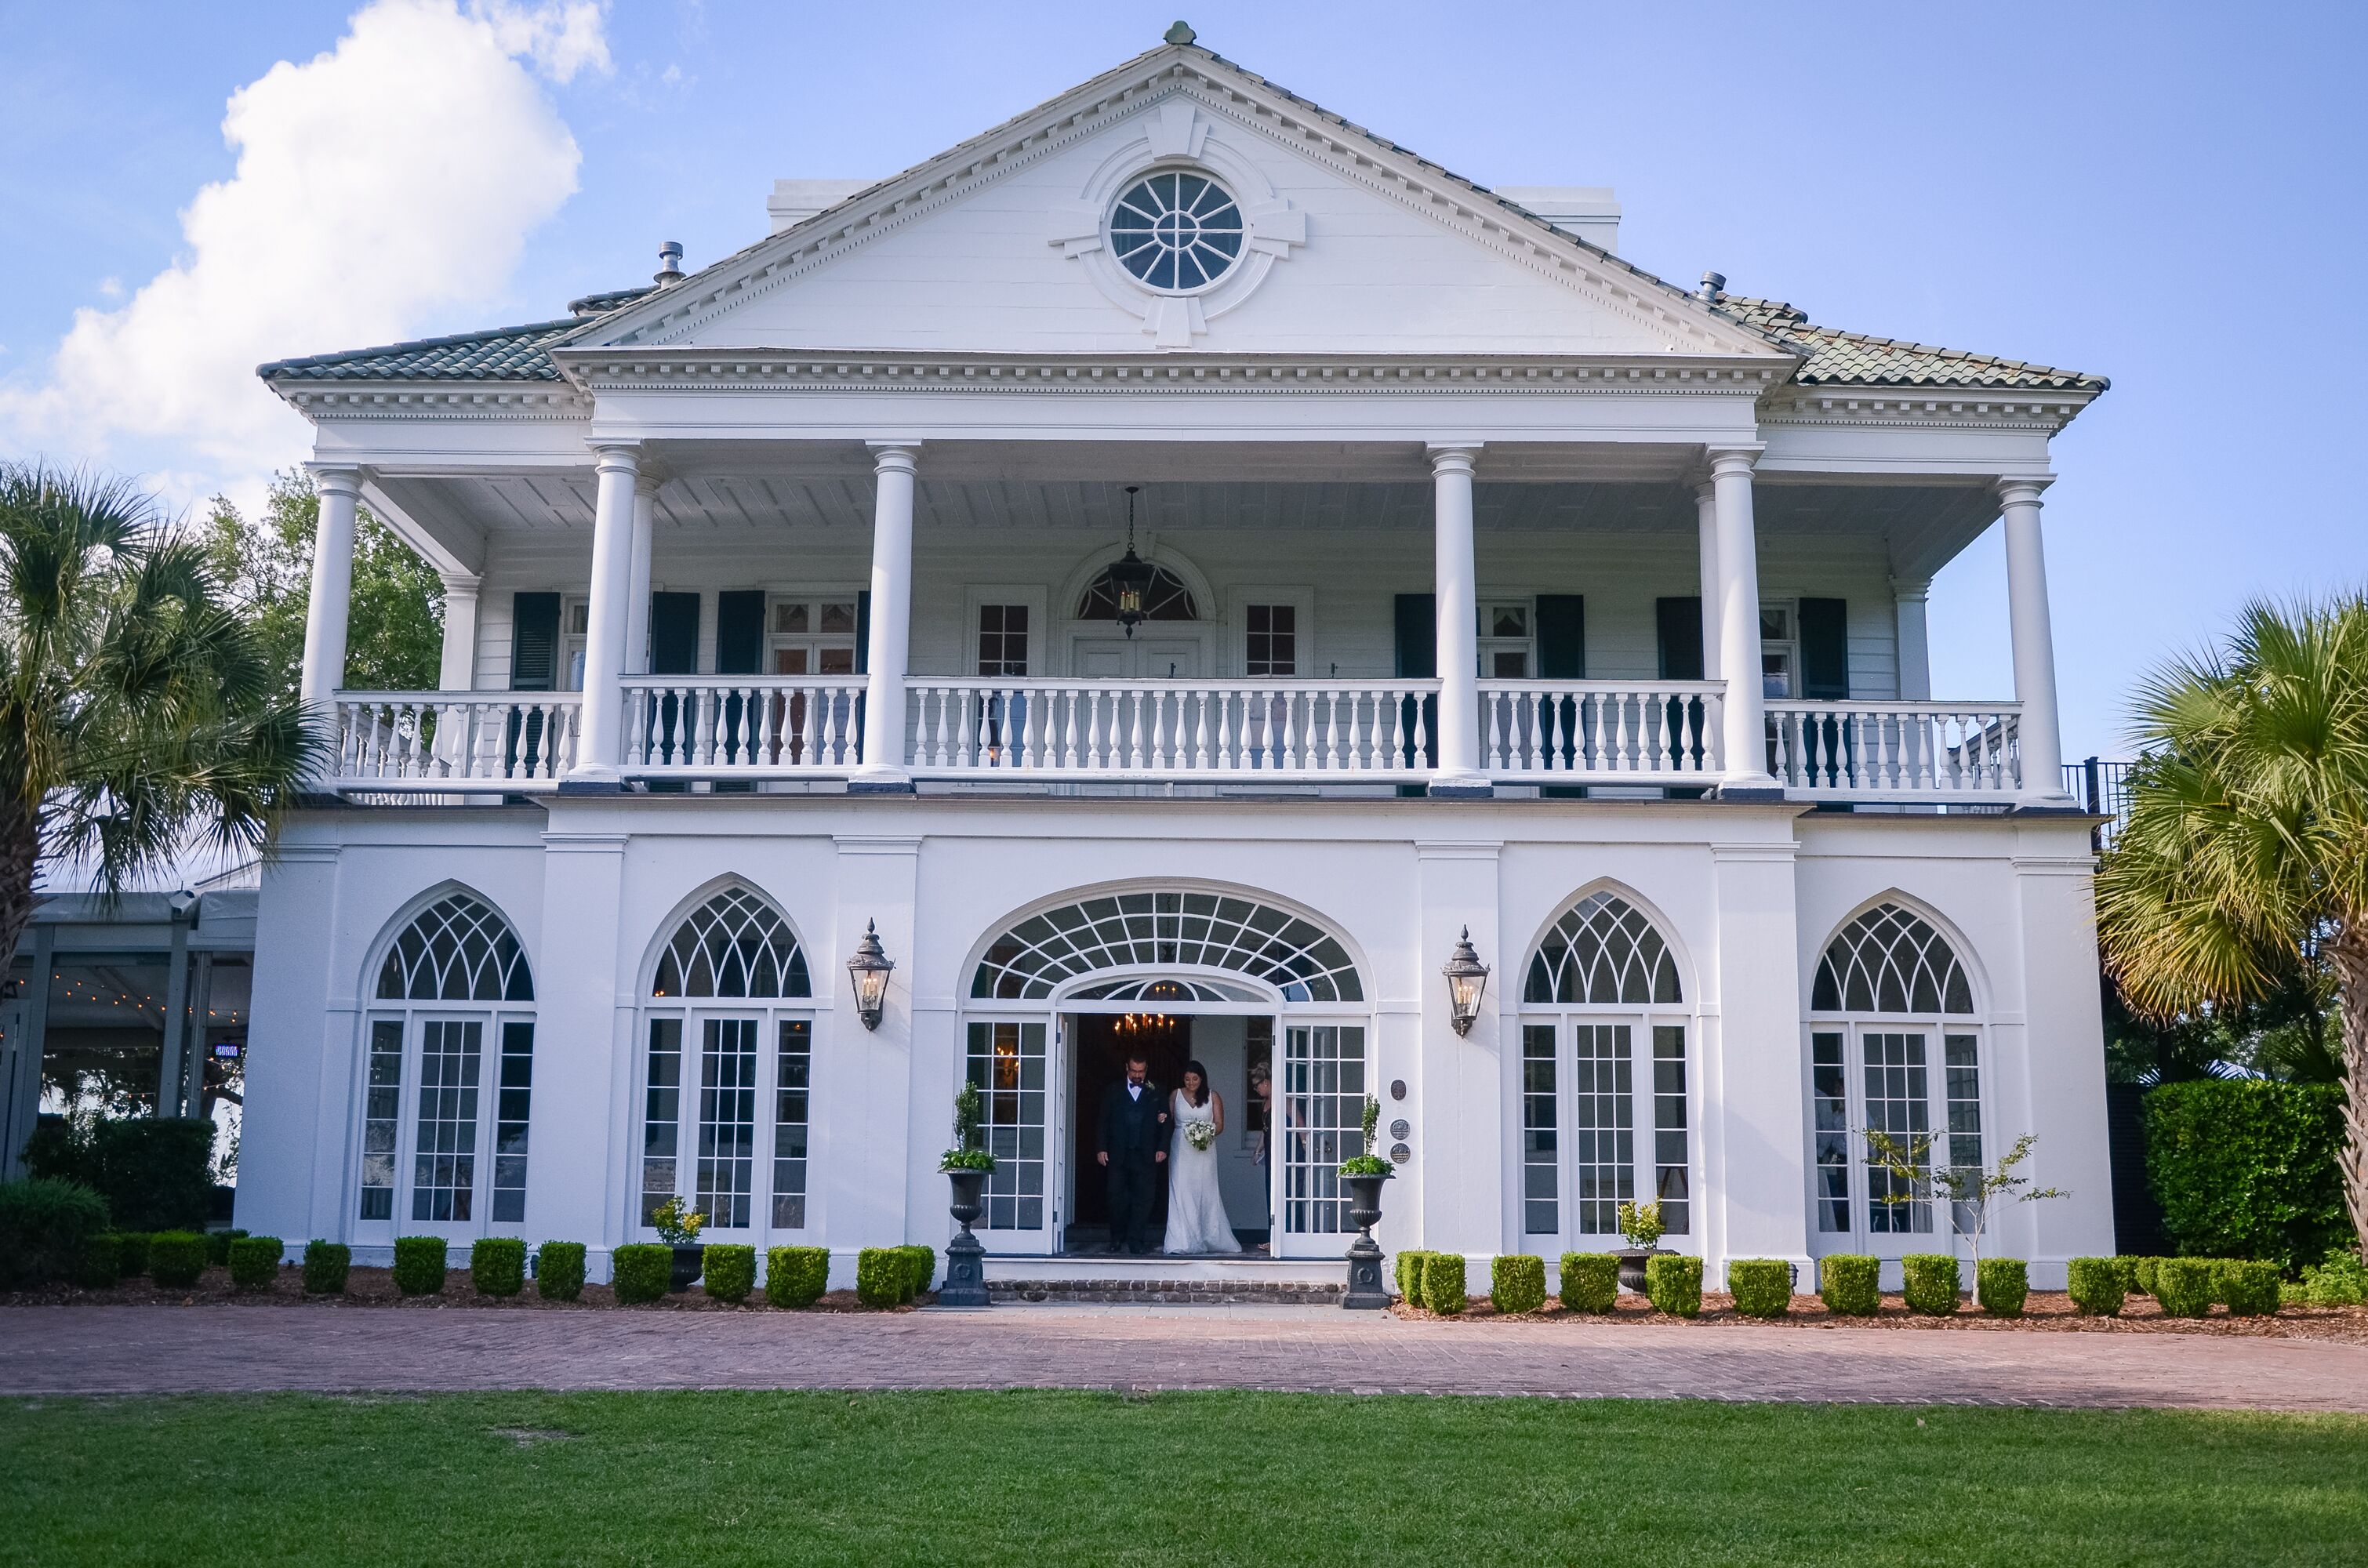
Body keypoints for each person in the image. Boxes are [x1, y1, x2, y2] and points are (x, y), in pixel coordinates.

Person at [1162, 1060, 1243, 1255]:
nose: (1191, 1083)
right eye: (1187, 1079)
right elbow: (1168, 1120)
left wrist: (1204, 1133)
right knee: (1181, 1191)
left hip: (1204, 1148)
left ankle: (1208, 1237)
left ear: (1202, 1078)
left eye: (1195, 1079)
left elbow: (1220, 1124)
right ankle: (1181, 1240)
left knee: (1205, 1192)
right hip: (1181, 1148)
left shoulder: (1212, 1096)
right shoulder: (1176, 1095)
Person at [1096, 1053, 1167, 1254]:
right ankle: (1116, 1238)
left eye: (1141, 1071)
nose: (1137, 1075)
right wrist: (1101, 1148)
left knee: (1144, 1199)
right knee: (1116, 1197)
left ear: (1146, 1069)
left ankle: (1136, 1240)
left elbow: (1166, 1121)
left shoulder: (1157, 1090)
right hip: (1118, 1153)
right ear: (1127, 1068)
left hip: (1146, 1154)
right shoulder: (1113, 1090)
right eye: (1134, 1071)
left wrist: (1162, 1148)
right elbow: (1103, 1120)